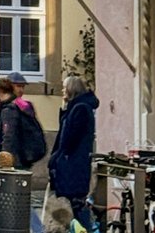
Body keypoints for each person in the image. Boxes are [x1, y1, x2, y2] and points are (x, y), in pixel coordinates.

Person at [48, 75, 99, 231]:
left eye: (65, 87)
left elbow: (70, 138)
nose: (62, 90)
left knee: (77, 205)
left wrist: (59, 158)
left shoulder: (80, 109)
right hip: (72, 164)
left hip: (74, 166)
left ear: (72, 89)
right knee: (75, 206)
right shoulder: (76, 107)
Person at [0, 70, 48, 171]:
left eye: (22, 86)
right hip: (24, 157)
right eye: (18, 86)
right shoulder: (24, 105)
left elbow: (9, 133)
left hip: (15, 157)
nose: (21, 90)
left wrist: (5, 156)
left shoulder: (11, 107)